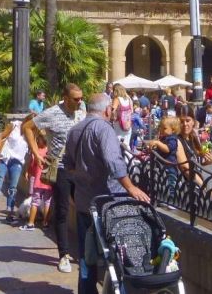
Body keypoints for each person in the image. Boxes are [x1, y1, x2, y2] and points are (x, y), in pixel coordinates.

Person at [64, 93, 150, 294]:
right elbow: (114, 161)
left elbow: (67, 164)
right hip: (108, 203)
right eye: (112, 109)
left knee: (87, 255)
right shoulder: (104, 129)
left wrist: (81, 180)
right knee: (119, 253)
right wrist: (131, 188)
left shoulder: (75, 130)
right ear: (107, 110)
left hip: (84, 201)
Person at [23, 83, 85, 273]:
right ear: (65, 98)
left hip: (80, 168)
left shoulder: (82, 110)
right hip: (61, 168)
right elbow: (27, 127)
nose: (80, 101)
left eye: (81, 98)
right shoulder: (51, 113)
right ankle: (63, 255)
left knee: (86, 208)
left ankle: (85, 252)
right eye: (76, 99)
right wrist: (35, 152)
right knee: (63, 210)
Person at [0, 116, 29, 226]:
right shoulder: (14, 125)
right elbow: (1, 137)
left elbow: (31, 152)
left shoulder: (32, 133)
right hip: (3, 159)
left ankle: (9, 214)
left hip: (17, 162)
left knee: (13, 189)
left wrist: (27, 169)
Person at [20, 129, 52, 231]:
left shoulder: (36, 152)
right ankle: (45, 223)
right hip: (49, 181)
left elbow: (32, 166)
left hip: (38, 181)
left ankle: (31, 223)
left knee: (35, 202)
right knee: (47, 202)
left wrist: (27, 172)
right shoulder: (50, 151)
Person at [145, 116, 181, 204]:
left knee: (171, 182)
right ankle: (162, 197)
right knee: (162, 181)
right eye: (161, 127)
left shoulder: (172, 139)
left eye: (164, 128)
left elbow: (167, 149)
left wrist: (158, 143)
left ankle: (173, 200)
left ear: (173, 130)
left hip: (170, 165)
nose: (162, 130)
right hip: (162, 164)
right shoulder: (163, 138)